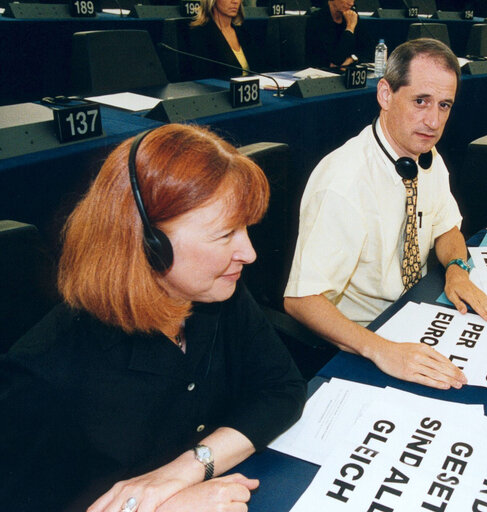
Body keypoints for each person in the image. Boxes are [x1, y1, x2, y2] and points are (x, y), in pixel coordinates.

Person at [0, 124, 306, 511]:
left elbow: (282, 389)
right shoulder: (43, 373)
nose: (248, 253)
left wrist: (186, 470)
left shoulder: (215, 290)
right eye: (225, 234)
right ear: (149, 243)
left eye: (245, 229)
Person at [284, 38, 487, 390]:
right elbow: (301, 300)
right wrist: (381, 350)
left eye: (444, 105)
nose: (433, 121)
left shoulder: (426, 156)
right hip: (366, 337)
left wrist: (458, 271)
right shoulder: (344, 181)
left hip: (416, 312)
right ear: (385, 94)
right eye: (421, 101)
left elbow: (447, 229)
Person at [188, 0, 266, 79]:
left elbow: (260, 68)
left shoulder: (243, 31)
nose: (235, 1)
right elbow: (202, 76)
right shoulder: (200, 33)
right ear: (212, 1)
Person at [306, 0, 372, 68]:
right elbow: (336, 59)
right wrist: (350, 28)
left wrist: (352, 59)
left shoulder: (352, 17)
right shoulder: (316, 20)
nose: (351, 3)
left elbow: (369, 52)